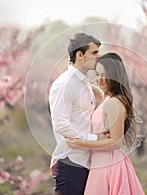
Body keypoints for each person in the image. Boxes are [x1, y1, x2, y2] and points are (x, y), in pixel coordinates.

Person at [66, 52, 145, 195]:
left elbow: (115, 142)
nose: (100, 79)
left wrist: (79, 143)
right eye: (97, 74)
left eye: (105, 74)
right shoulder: (109, 98)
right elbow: (92, 89)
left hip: (108, 165)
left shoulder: (113, 103)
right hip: (104, 162)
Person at [49, 33, 108, 195]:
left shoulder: (82, 82)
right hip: (71, 162)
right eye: (94, 53)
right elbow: (61, 124)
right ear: (80, 55)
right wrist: (95, 138)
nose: (98, 57)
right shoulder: (64, 84)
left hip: (86, 162)